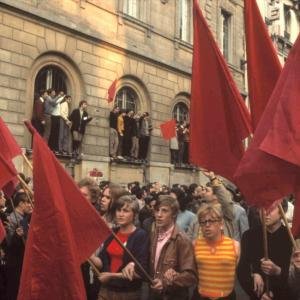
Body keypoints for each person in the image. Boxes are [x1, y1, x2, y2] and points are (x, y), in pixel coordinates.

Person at [237, 201, 293, 300]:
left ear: (282, 211)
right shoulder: (249, 236)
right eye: (261, 208)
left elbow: (294, 275)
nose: (265, 212)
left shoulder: (291, 237)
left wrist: (277, 271)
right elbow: (242, 270)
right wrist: (254, 275)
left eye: (271, 208)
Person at [97, 195, 149, 300]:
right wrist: (88, 256)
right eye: (118, 210)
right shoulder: (113, 233)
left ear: (134, 214)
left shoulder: (140, 235)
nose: (121, 214)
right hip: (105, 290)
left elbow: (140, 271)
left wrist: (111, 276)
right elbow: (102, 260)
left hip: (127, 293)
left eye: (125, 211)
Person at [149, 195, 197, 300]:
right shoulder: (153, 234)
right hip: (154, 295)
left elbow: (190, 276)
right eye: (157, 210)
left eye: (164, 211)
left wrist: (167, 281)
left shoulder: (182, 239)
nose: (159, 215)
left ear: (174, 214)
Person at [193, 204, 240, 300]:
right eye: (203, 222)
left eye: (211, 221)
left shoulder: (234, 245)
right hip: (202, 297)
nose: (207, 225)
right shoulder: (195, 245)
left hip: (227, 297)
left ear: (221, 223)